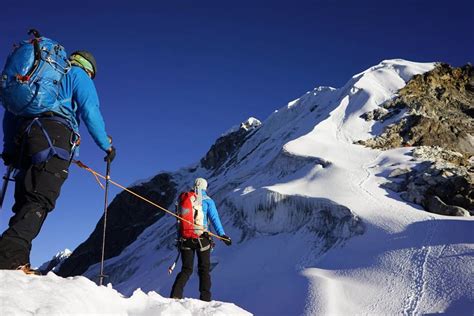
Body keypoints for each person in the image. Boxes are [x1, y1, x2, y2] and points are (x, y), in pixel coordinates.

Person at [0, 50, 116, 274]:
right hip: (54, 137)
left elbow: (10, 113)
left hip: (25, 139)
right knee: (40, 200)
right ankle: (7, 259)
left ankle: (17, 261)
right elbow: (90, 110)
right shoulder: (78, 75)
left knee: (26, 199)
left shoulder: (38, 80)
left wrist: (9, 149)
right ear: (90, 69)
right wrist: (106, 145)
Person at [170, 178, 231, 301]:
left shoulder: (184, 199)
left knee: (186, 269)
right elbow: (214, 219)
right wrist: (222, 235)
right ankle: (205, 298)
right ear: (205, 187)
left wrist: (179, 239)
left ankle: (175, 296)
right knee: (204, 269)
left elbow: (179, 222)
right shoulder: (208, 201)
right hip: (202, 239)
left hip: (185, 238)